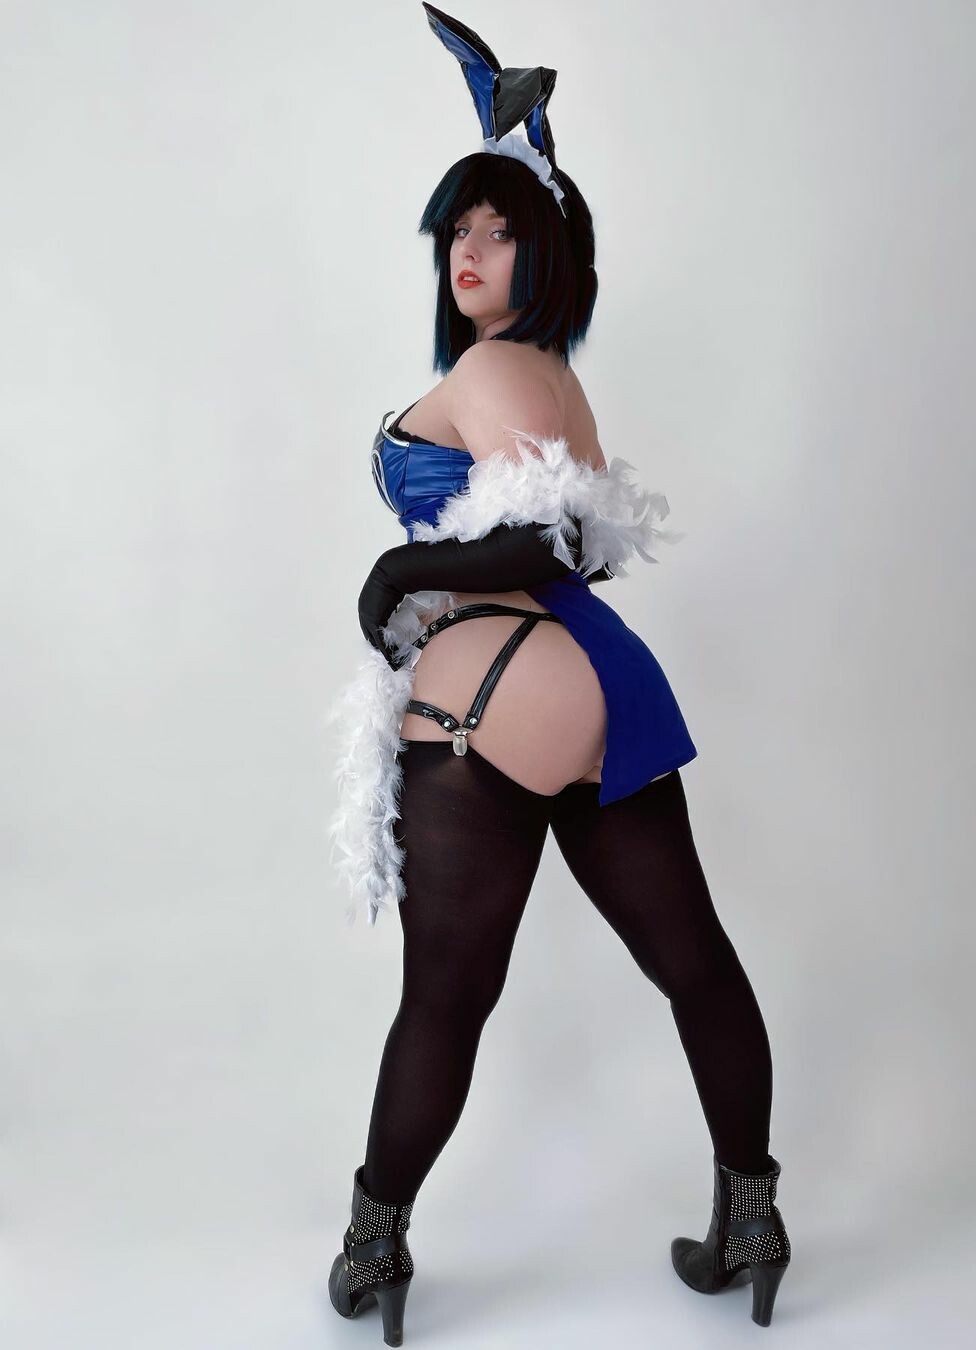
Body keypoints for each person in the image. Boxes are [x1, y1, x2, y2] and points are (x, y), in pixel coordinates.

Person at [325, 6, 791, 1344]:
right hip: (604, 689)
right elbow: (579, 538)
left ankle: (373, 1248)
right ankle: (752, 1215)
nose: (469, 251)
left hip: (493, 693)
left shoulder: (492, 369)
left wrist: (400, 570)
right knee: (695, 962)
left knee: (444, 1000)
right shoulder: (550, 378)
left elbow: (548, 542)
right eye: (456, 232)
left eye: (499, 228)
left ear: (547, 248)